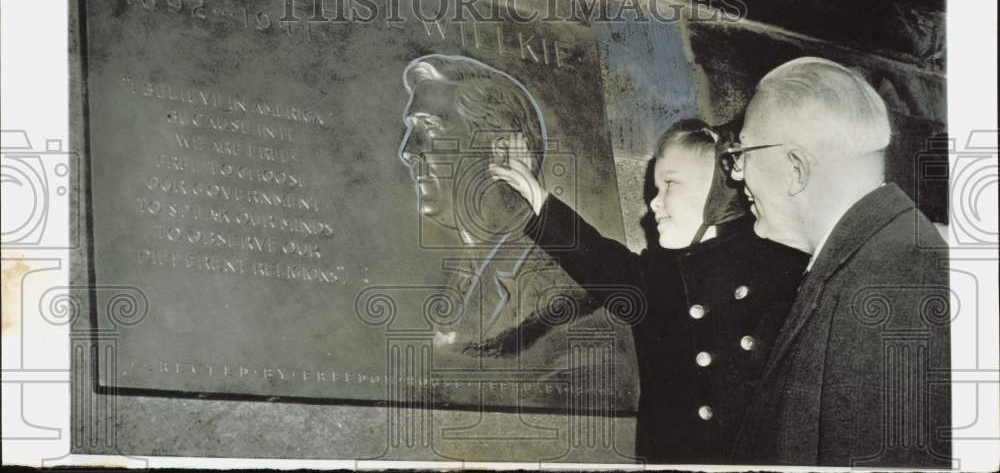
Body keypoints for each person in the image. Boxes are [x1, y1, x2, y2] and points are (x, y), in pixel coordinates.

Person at [491, 118, 809, 463]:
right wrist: (536, 195)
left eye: (670, 184)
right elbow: (597, 259)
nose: (653, 204)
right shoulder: (660, 278)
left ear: (720, 190)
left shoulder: (784, 267)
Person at [728, 57, 951, 467]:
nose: (737, 173)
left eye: (743, 152)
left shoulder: (895, 281)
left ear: (796, 169)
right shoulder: (873, 259)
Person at [397, 53, 622, 368]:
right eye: (411, 129)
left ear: (501, 152)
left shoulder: (564, 289)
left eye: (430, 129)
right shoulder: (455, 279)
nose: (408, 150)